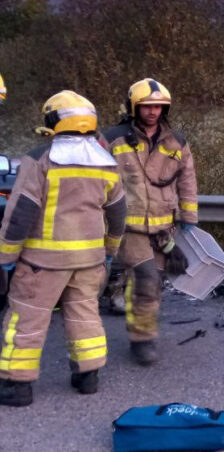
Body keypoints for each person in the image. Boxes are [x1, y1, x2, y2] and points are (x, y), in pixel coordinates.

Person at [0, 91, 127, 406]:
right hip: (89, 261)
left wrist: (5, 256)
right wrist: (110, 250)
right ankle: (88, 377)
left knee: (26, 319)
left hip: (42, 262)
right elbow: (119, 213)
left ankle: (17, 386)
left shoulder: (40, 159)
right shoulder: (106, 162)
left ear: (52, 121)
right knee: (84, 316)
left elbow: (20, 215)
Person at [102, 78, 198, 366]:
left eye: (158, 106)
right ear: (134, 107)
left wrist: (188, 218)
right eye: (147, 106)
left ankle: (141, 326)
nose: (153, 111)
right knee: (147, 276)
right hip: (127, 227)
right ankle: (143, 340)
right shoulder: (112, 139)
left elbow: (187, 181)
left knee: (152, 285)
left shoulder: (176, 142)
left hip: (161, 229)